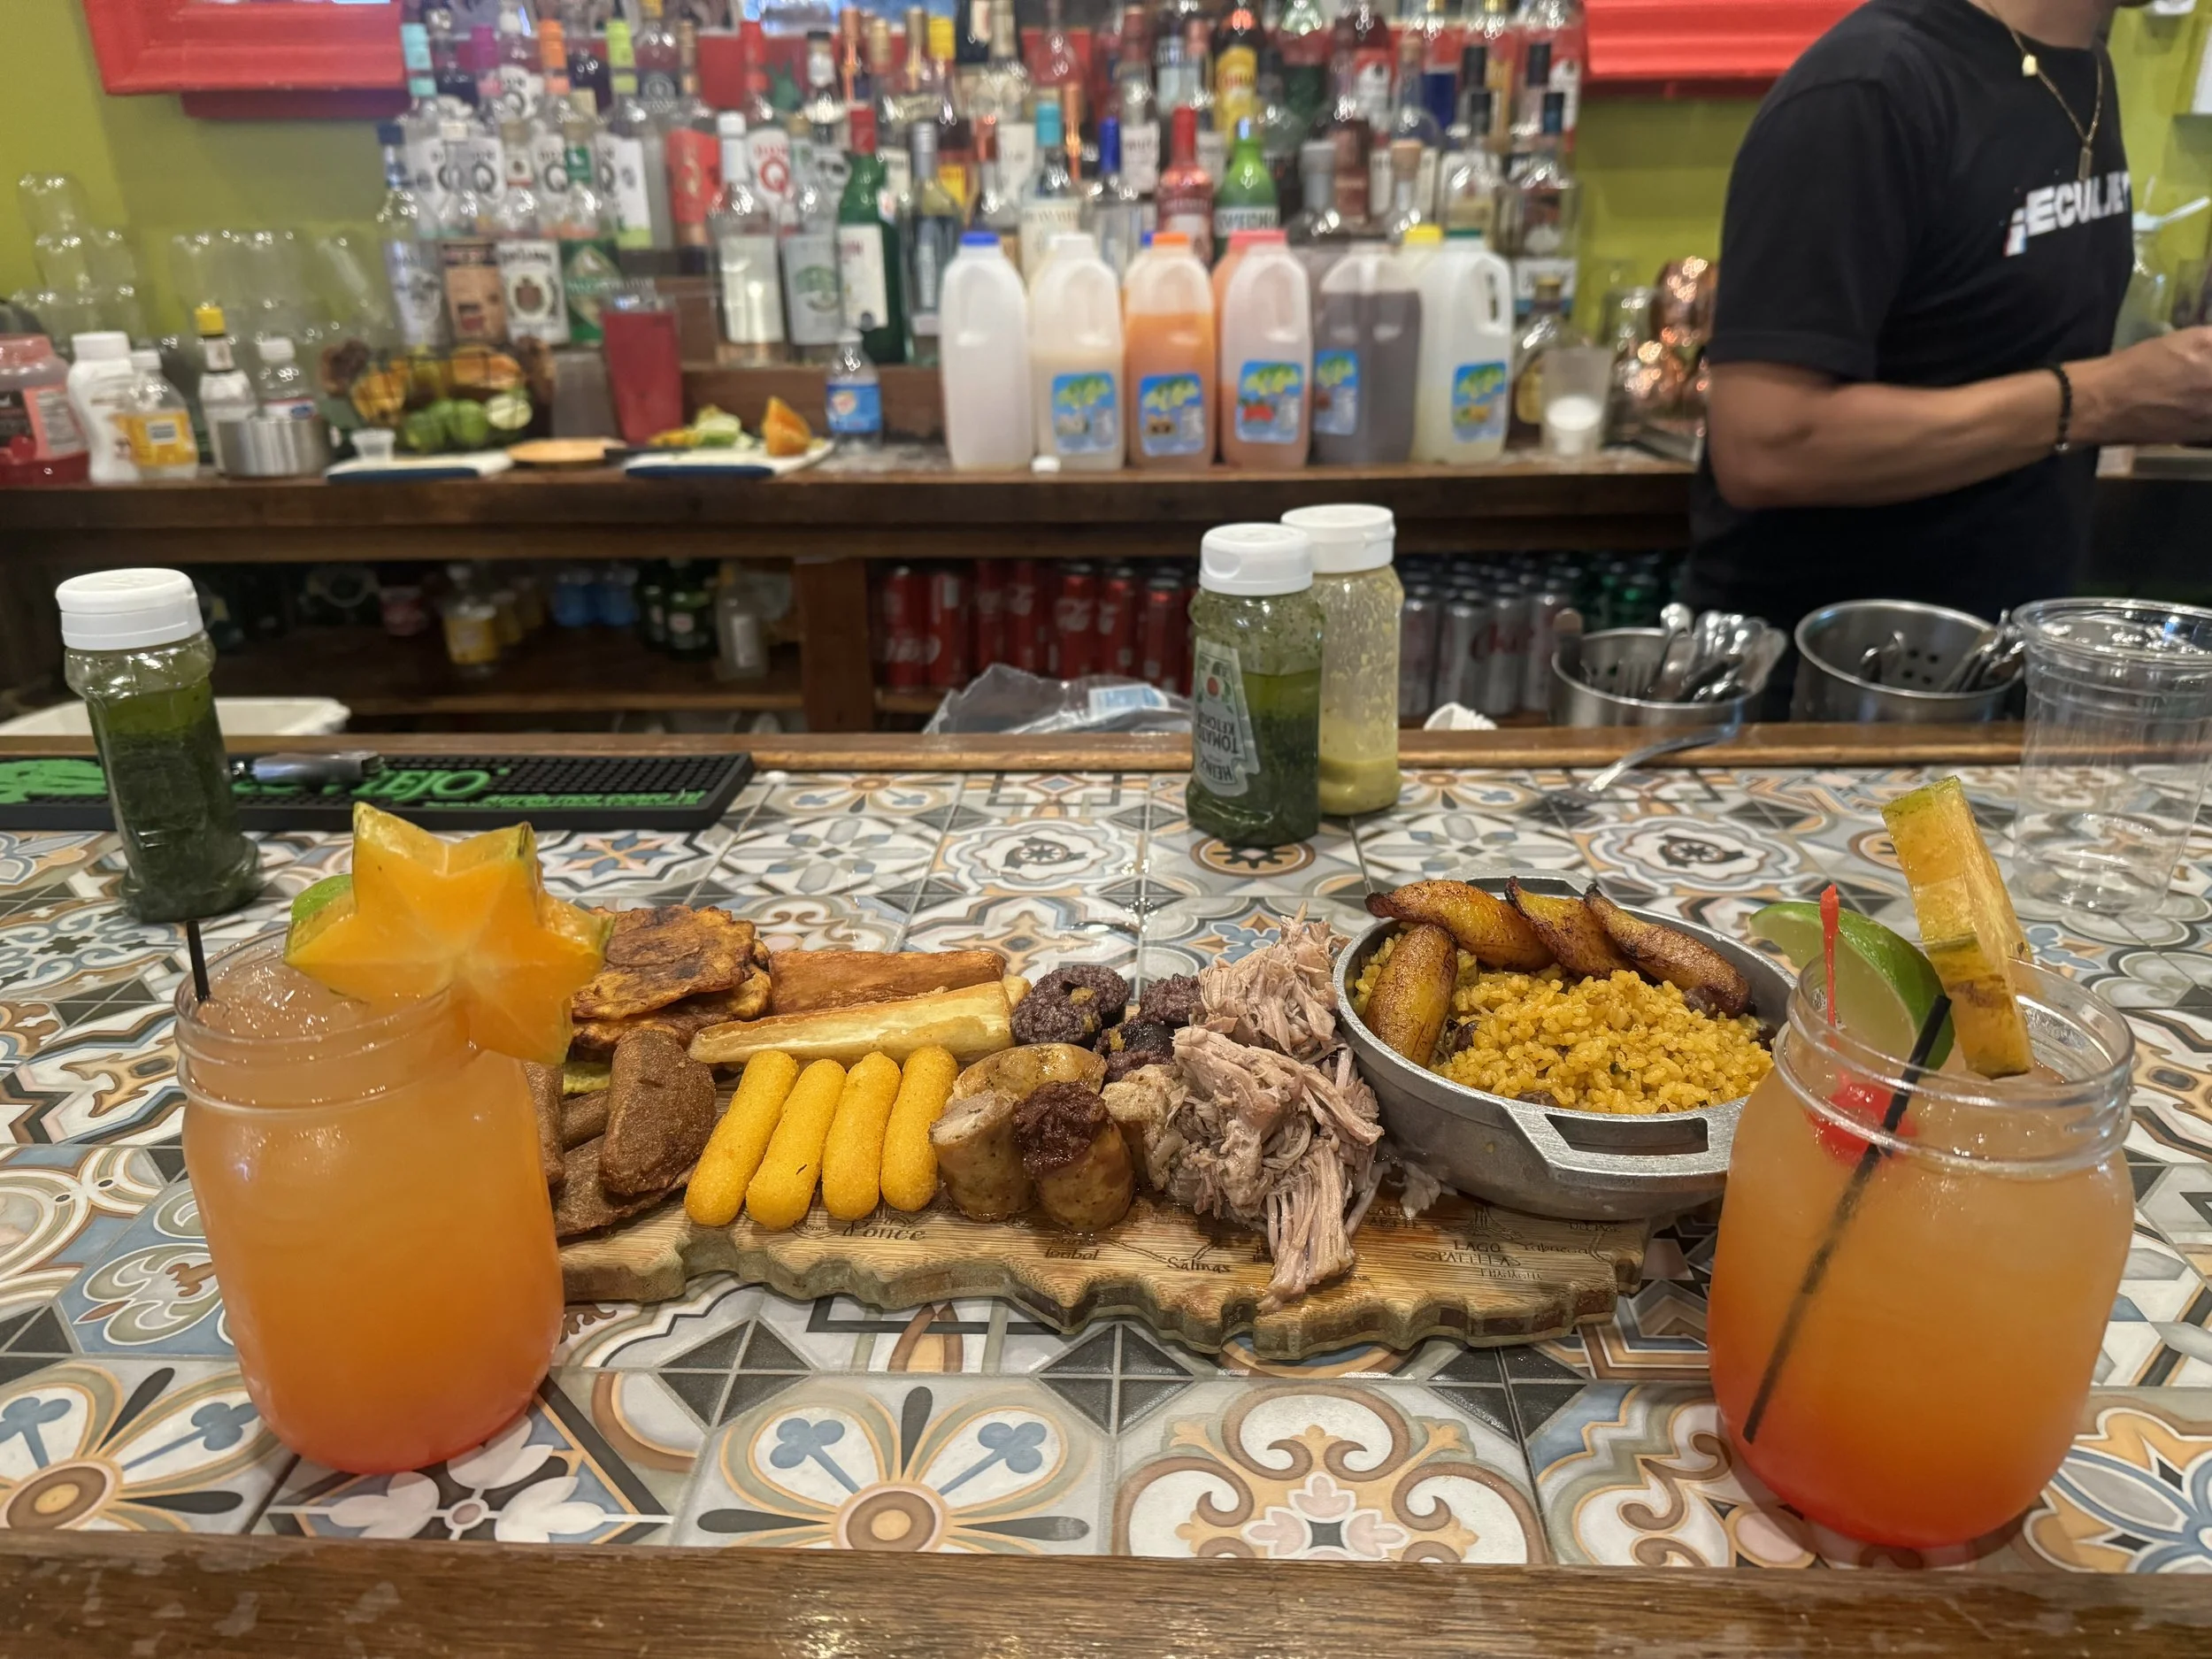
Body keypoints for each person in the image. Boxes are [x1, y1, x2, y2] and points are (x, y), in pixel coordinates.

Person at [1687, 0, 2212, 629]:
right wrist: (2102, 399)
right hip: (1829, 682)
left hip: (1988, 660)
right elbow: (1765, 446)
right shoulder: (1870, 88)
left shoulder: (2082, 65)